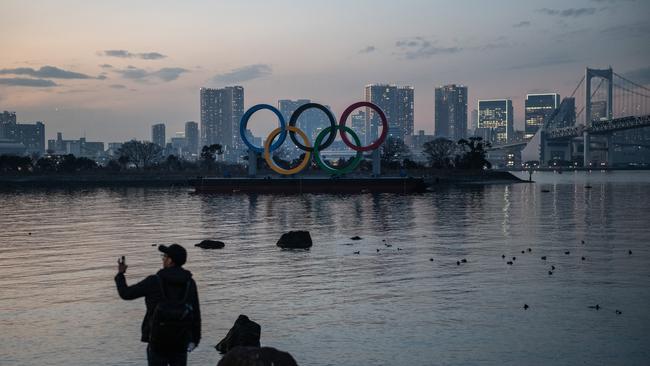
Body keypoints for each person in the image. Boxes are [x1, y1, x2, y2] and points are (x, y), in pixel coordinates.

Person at [115, 244, 201, 366]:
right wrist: (195, 340)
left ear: (170, 260)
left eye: (164, 256)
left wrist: (120, 274)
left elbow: (126, 294)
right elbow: (196, 313)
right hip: (181, 341)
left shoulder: (154, 281)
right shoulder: (189, 283)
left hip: (157, 342)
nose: (163, 259)